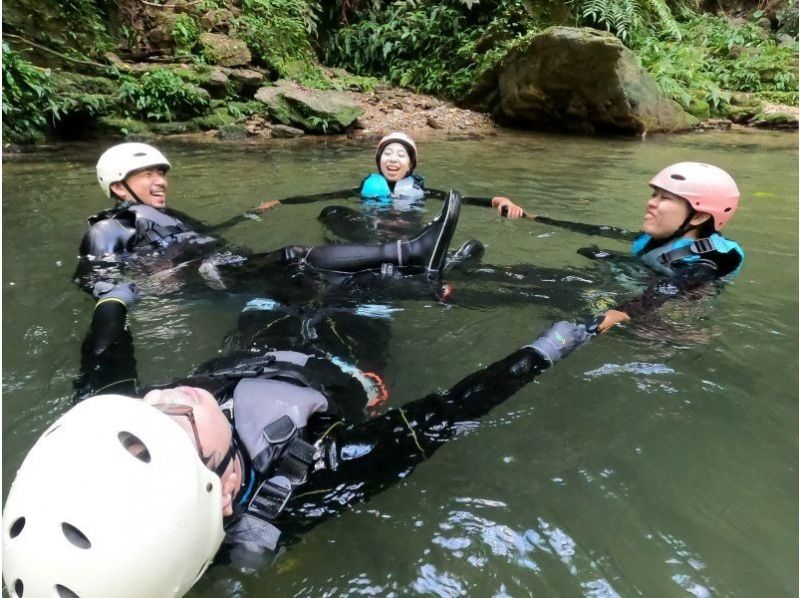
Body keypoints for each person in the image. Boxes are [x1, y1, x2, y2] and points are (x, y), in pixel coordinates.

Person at [5, 289, 595, 596]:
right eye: (178, 425)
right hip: (349, 350)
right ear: (228, 491)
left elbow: (106, 357)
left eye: (146, 411)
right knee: (359, 287)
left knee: (286, 282)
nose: (166, 399)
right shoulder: (317, 472)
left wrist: (114, 298)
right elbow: (450, 412)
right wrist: (554, 344)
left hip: (257, 333)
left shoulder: (109, 434)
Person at [454, 162, 745, 333]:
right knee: (544, 276)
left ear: (698, 216)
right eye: (654, 194)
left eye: (665, 198)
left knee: (555, 287)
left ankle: (453, 290)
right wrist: (531, 217)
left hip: (659, 321)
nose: (651, 202)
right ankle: (470, 272)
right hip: (633, 289)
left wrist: (616, 315)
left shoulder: (707, 262)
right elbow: (601, 231)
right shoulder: (667, 237)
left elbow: (671, 289)